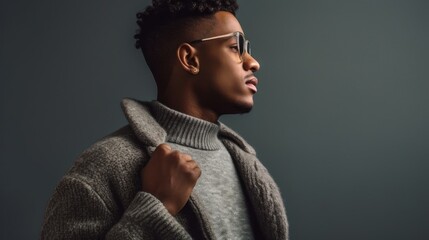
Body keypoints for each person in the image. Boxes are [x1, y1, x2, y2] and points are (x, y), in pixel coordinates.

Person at [41, 0, 289, 239]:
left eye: (248, 49)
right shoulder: (99, 171)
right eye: (236, 47)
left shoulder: (246, 164)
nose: (253, 62)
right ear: (190, 59)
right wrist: (156, 207)